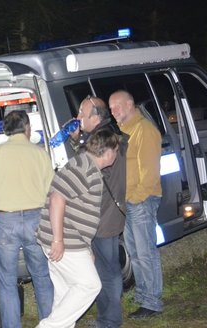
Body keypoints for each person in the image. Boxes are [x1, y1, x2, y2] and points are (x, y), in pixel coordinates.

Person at [0, 110, 54, 328]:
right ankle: (50, 324)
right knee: (42, 276)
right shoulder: (40, 153)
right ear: (27, 128)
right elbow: (52, 190)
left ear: (5, 130)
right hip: (36, 219)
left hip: (5, 222)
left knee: (7, 281)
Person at [36, 128, 120, 328]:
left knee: (65, 294)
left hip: (71, 241)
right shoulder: (85, 167)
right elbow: (57, 198)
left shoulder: (86, 165)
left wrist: (87, 248)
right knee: (90, 285)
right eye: (116, 150)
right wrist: (58, 240)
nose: (116, 155)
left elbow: (76, 211)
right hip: (64, 241)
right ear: (108, 152)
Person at [69, 95, 128, 328]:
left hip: (102, 215)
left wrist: (76, 143)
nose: (78, 118)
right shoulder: (107, 134)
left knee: (107, 271)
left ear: (96, 116)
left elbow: (89, 171)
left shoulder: (102, 139)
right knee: (105, 268)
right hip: (106, 214)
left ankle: (110, 321)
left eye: (82, 114)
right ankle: (108, 317)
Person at [108, 90, 163, 319]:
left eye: (117, 107)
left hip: (140, 201)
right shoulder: (121, 132)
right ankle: (143, 296)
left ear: (130, 104)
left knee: (145, 252)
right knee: (135, 253)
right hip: (128, 203)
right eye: (111, 109)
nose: (114, 112)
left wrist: (136, 198)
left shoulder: (145, 131)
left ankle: (152, 302)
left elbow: (149, 173)